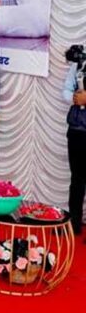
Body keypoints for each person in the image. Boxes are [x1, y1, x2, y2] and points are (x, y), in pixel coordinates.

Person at [62, 52, 86, 235]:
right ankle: (74, 224)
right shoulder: (80, 62)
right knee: (77, 179)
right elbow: (66, 89)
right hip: (77, 129)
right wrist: (74, 98)